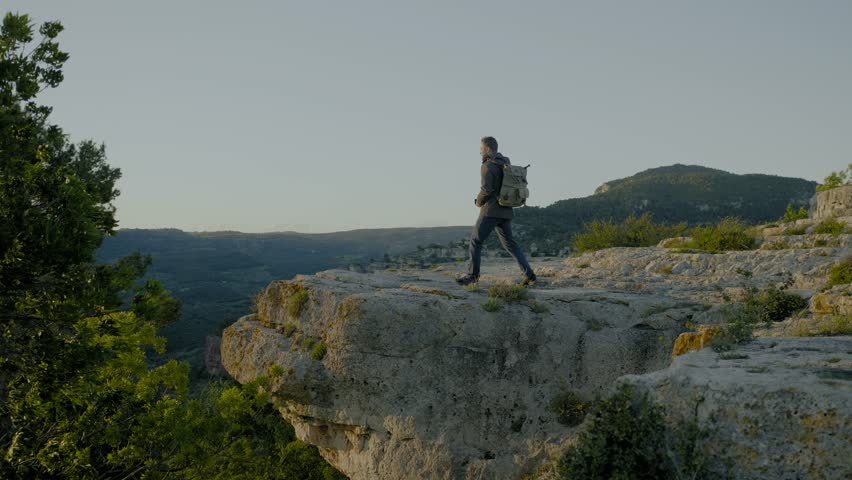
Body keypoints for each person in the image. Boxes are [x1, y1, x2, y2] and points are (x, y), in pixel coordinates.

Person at [456, 136, 536, 286]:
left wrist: (478, 202)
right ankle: (529, 275)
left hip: (491, 211)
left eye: (481, 149)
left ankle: (472, 276)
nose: (479, 152)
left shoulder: (487, 166)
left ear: (487, 149)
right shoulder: (506, 162)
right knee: (511, 244)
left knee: (475, 241)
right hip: (506, 210)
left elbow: (486, 190)